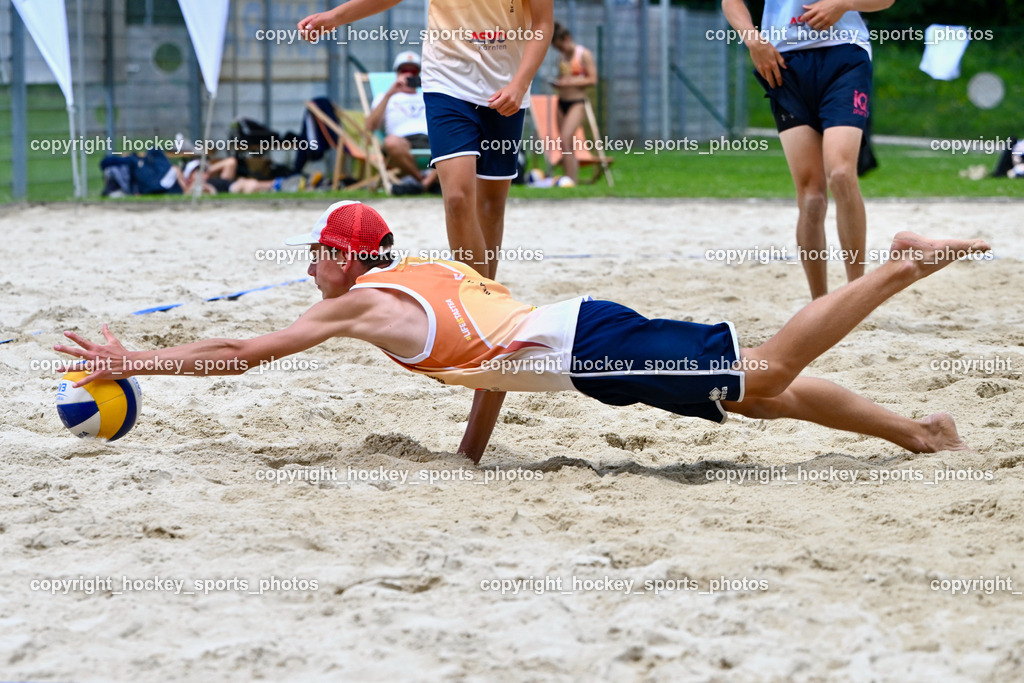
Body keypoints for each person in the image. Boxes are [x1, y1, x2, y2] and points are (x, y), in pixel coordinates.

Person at [56, 201, 989, 463]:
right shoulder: (435, 273)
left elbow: (240, 354)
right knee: (765, 402)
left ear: (345, 258)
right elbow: (487, 366)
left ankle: (901, 261)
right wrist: (469, 452)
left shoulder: (351, 306)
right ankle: (915, 431)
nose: (310, 266)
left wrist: (131, 359)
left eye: (316, 252)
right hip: (582, 344)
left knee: (765, 367)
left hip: (587, 348)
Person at [298, 0, 553, 461]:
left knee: (492, 204)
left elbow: (542, 24)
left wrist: (519, 84)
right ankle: (476, 298)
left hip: (505, 86)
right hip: (448, 83)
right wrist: (336, 17)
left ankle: (486, 304)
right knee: (458, 197)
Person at [721, 0, 893, 299]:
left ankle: (855, 296)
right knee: (812, 199)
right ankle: (820, 305)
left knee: (840, 174)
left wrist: (844, 4)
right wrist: (753, 40)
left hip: (845, 54)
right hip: (784, 62)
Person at [365, 51, 439, 195]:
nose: (409, 75)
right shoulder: (385, 96)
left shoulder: (428, 94)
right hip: (402, 142)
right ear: (397, 73)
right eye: (405, 71)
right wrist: (389, 93)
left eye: (414, 71)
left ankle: (421, 186)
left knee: (455, 142)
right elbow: (370, 126)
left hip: (431, 139)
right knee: (391, 142)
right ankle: (425, 181)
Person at [549, 22, 597, 185]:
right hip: (562, 101)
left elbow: (592, 79)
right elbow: (563, 77)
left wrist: (569, 83)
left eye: (561, 46)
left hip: (577, 102)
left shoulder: (583, 54)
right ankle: (569, 180)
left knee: (566, 137)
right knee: (564, 143)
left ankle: (572, 180)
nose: (560, 51)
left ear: (567, 39)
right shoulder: (561, 58)